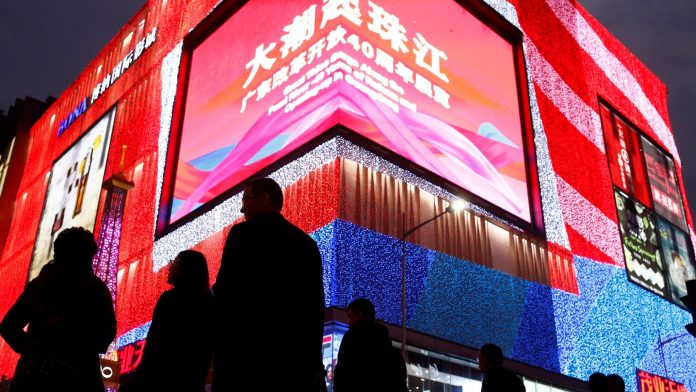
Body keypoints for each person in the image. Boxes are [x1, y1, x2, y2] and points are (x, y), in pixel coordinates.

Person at [212, 177, 325, 391]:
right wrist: (311, 358)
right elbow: (314, 306)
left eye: (247, 199)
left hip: (243, 354)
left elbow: (226, 292)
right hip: (288, 359)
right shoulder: (305, 244)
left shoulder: (242, 235)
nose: (242, 208)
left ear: (265, 199)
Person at [0, 227, 116, 391]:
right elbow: (107, 331)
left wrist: (31, 349)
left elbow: (8, 326)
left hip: (33, 376)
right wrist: (82, 350)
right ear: (87, 256)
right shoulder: (94, 288)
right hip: (78, 377)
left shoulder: (38, 286)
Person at [126, 250, 214, 391]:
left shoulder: (169, 299)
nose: (170, 267)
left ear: (186, 269)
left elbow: (154, 344)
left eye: (175, 263)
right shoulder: (208, 302)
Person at [333, 298, 407, 392]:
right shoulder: (385, 342)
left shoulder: (351, 337)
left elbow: (342, 372)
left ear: (359, 314)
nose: (348, 321)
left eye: (350, 316)